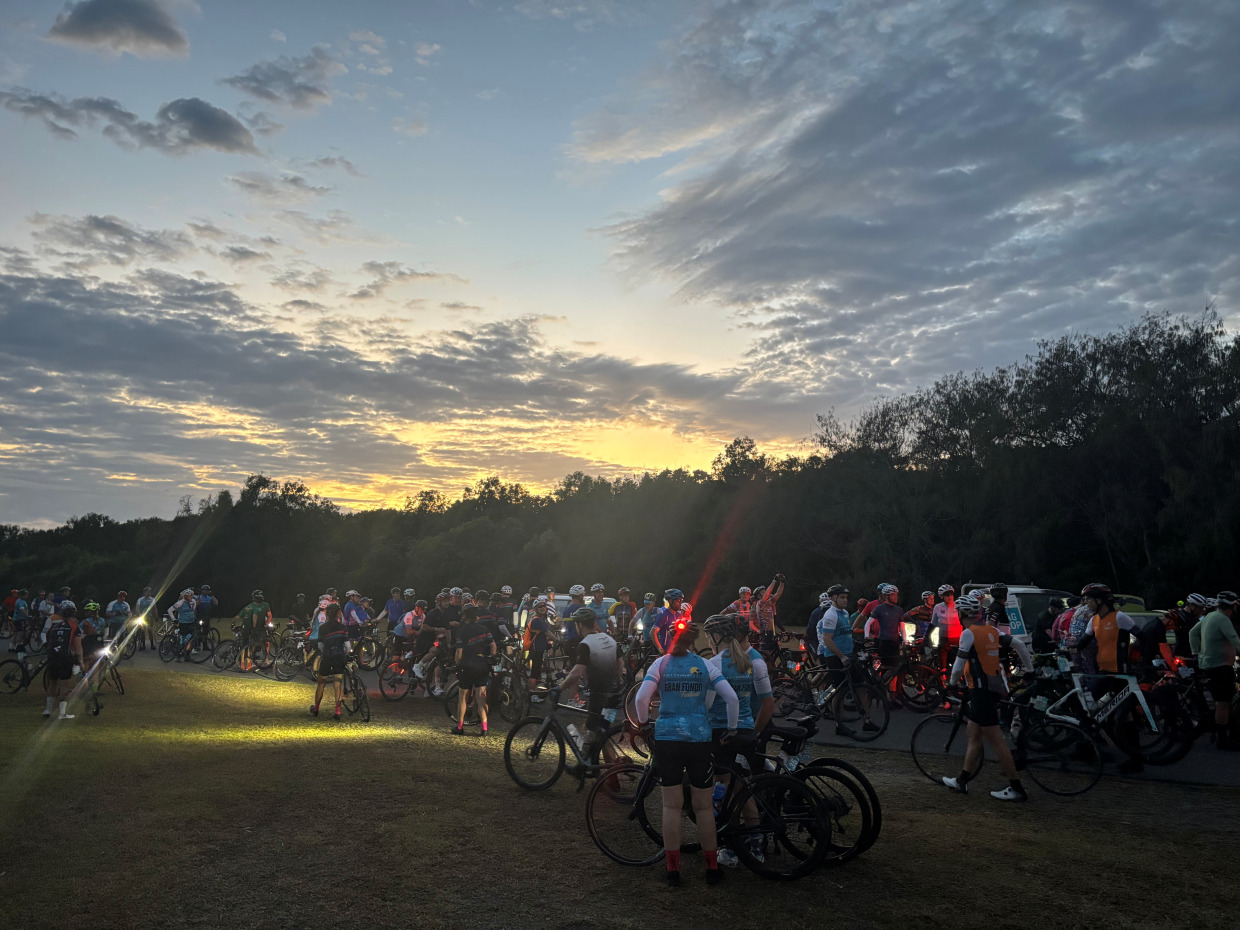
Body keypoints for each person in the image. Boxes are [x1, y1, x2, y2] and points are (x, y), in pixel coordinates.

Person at [635, 620, 739, 886]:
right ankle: (712, 869)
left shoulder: (661, 663)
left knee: (671, 805)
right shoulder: (706, 665)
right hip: (699, 739)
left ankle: (673, 871)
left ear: (670, 639)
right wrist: (732, 729)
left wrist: (645, 723)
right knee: (703, 807)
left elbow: (641, 699)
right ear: (695, 642)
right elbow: (732, 699)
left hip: (668, 738)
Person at [941, 594, 1033, 801]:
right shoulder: (992, 630)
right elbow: (1018, 644)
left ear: (961, 613)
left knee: (996, 740)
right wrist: (1029, 669)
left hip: (981, 691)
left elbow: (957, 666)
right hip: (992, 688)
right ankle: (961, 780)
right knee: (973, 734)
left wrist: (950, 684)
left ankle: (1016, 787)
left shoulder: (968, 633)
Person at [703, 613, 775, 867]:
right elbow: (764, 700)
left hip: (721, 732)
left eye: (709, 636)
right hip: (745, 730)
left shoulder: (713, 663)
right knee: (741, 790)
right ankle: (755, 845)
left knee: (721, 792)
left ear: (717, 636)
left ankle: (729, 846)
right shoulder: (750, 662)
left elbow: (708, 704)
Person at [558, 608, 624, 761]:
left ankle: (598, 770)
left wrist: (559, 688)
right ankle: (602, 771)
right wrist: (614, 680)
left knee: (595, 731)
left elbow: (577, 672)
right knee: (602, 732)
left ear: (579, 625)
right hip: (614, 697)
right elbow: (620, 664)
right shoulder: (609, 639)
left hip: (599, 697)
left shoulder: (586, 644)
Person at [1188, 591, 1240, 751]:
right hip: (1220, 666)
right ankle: (1223, 740)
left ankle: (1227, 733)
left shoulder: (1210, 616)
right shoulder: (1223, 619)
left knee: (1223, 700)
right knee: (1223, 703)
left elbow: (1192, 632)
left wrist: (1195, 652)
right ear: (1232, 605)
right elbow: (1235, 640)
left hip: (1208, 664)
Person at [451, 605, 496, 736]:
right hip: (482, 664)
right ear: (477, 618)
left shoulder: (462, 631)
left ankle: (459, 727)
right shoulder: (484, 629)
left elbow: (459, 652)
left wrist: (457, 664)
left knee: (463, 698)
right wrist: (491, 658)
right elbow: (493, 646)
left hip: (467, 664)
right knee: (481, 697)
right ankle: (484, 728)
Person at [43, 603, 84, 720]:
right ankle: (62, 714)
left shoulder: (56, 626)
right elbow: (78, 646)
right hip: (64, 658)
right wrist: (80, 660)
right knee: (64, 685)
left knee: (52, 684)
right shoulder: (74, 627)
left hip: (52, 657)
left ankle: (47, 710)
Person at [310, 604, 348, 720]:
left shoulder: (323, 628)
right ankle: (337, 711)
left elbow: (320, 645)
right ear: (338, 613)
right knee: (337, 683)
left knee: (321, 682)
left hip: (327, 656)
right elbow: (347, 645)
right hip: (339, 656)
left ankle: (316, 708)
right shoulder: (343, 627)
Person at [860, 584, 905, 665]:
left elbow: (902, 627)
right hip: (883, 642)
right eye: (893, 595)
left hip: (895, 642)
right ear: (886, 596)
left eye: (896, 595)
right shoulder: (879, 609)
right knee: (885, 665)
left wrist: (905, 640)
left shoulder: (899, 610)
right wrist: (867, 637)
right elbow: (868, 623)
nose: (896, 597)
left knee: (896, 666)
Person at [1158, 593, 1207, 659]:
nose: (1202, 611)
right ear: (1192, 606)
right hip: (1185, 655)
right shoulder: (1185, 618)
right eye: (1200, 608)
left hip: (1182, 653)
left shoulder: (1178, 613)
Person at [524, 595, 552, 697]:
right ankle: (532, 695)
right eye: (540, 607)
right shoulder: (537, 620)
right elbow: (547, 633)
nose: (542, 608)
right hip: (536, 649)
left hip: (540, 649)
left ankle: (537, 691)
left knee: (538, 671)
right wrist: (557, 640)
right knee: (535, 672)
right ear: (536, 609)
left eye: (544, 606)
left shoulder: (542, 619)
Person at [238, 590, 273, 671]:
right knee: (251, 644)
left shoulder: (265, 605)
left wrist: (266, 624)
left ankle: (265, 660)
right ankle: (246, 663)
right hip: (253, 627)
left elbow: (269, 616)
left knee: (266, 643)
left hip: (261, 627)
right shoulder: (252, 606)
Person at [751, 574, 787, 646]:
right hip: (764, 632)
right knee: (766, 652)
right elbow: (767, 594)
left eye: (765, 591)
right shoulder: (759, 604)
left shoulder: (770, 602)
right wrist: (774, 581)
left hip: (771, 631)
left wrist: (782, 582)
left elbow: (778, 593)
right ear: (758, 596)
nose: (766, 592)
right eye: (763, 592)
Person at [167, 589, 198, 663]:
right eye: (189, 596)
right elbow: (169, 610)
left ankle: (187, 655)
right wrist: (174, 619)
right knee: (181, 640)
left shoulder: (193, 602)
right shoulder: (180, 603)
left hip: (191, 623)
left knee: (191, 639)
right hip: (183, 624)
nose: (191, 597)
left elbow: (193, 610)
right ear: (185, 596)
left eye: (191, 596)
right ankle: (177, 656)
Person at [651, 589, 685, 654]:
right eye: (678, 600)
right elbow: (652, 633)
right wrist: (660, 649)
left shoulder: (679, 615)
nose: (680, 603)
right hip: (665, 650)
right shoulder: (664, 615)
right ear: (670, 601)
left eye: (681, 600)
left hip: (676, 650)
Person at [134, 586, 157, 651]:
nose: (149, 593)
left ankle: (152, 644)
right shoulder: (140, 600)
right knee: (142, 631)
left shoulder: (152, 599)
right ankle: (142, 644)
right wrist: (138, 615)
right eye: (147, 592)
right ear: (144, 592)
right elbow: (137, 608)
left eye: (150, 592)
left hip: (149, 617)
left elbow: (155, 608)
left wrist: (156, 616)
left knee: (150, 631)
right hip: (142, 617)